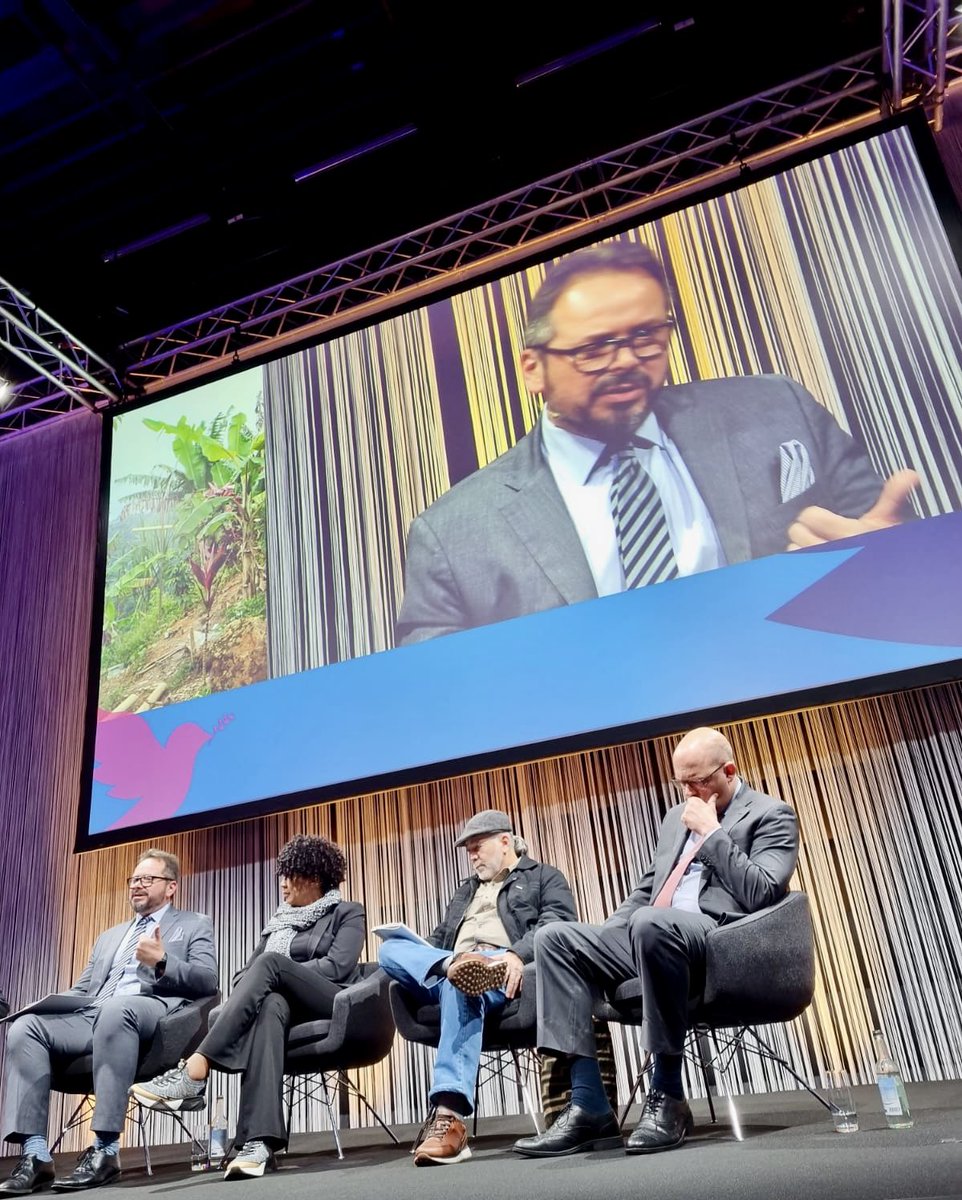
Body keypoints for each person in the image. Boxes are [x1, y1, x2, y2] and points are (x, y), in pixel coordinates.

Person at [395, 240, 919, 644]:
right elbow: (437, 692)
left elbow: (889, 542)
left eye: (645, 336)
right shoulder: (453, 535)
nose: (626, 360)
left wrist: (891, 558)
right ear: (534, 368)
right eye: (596, 347)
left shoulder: (776, 408)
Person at [512, 726, 799, 1158]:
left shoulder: (771, 814)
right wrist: (607, 938)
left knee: (651, 923)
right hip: (651, 929)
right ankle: (589, 1104)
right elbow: (647, 890)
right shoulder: (673, 818)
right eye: (680, 782)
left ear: (729, 771)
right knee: (557, 939)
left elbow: (762, 892)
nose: (688, 792)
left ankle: (668, 1094)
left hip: (719, 939)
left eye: (697, 781)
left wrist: (712, 834)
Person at [129, 833, 364, 1180]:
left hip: (332, 1001)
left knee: (270, 966)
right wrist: (273, 980)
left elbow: (337, 968)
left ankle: (195, 1069)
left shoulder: (347, 912)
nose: (283, 884)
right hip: (284, 1006)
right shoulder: (279, 923)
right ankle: (257, 1143)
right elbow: (243, 978)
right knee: (269, 1006)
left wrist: (283, 972)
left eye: (291, 876)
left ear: (314, 879)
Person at [0, 849, 217, 1194]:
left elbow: (208, 981)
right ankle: (36, 1156)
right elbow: (85, 988)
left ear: (171, 887)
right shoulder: (109, 936)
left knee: (117, 1010)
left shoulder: (193, 924)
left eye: (148, 879)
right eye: (134, 880)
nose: (137, 885)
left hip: (151, 1012)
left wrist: (162, 962)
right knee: (26, 1027)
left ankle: (105, 1151)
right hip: (94, 1013)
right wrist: (45, 1006)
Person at [378, 809, 576, 1166]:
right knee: (389, 949)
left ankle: (450, 1115)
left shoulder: (543, 876)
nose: (471, 856)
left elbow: (557, 924)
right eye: (467, 849)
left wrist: (517, 953)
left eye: (477, 846)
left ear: (504, 841)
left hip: (501, 970)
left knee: (461, 984)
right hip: (451, 966)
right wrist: (425, 950)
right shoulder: (466, 890)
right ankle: (453, 966)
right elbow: (441, 936)